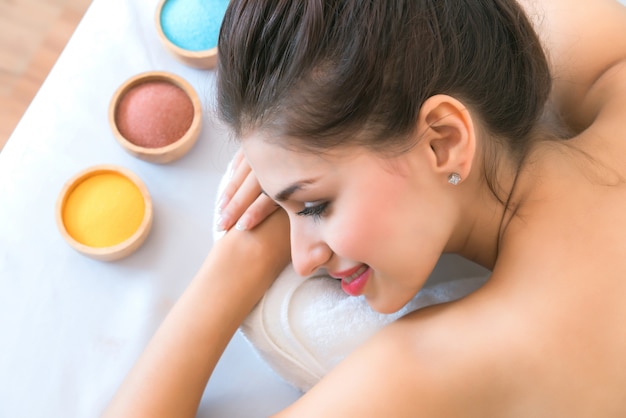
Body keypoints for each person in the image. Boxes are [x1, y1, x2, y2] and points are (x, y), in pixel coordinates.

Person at [103, 0, 626, 416]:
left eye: (314, 205)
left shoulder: (455, 366)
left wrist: (235, 263)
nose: (300, 259)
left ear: (442, 141)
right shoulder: (610, 66)